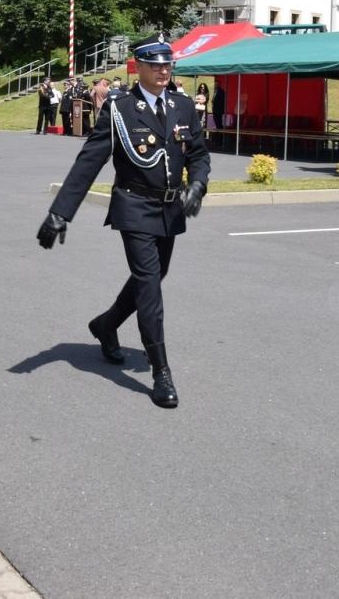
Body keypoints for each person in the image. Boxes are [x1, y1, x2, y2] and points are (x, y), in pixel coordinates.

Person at [37, 35, 210, 408]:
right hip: (133, 206)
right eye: (155, 65)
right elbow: (89, 161)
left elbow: (197, 152)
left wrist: (198, 183)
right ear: (139, 67)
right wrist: (60, 212)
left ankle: (106, 325)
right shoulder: (120, 109)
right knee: (150, 284)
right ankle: (161, 371)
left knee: (154, 275)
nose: (164, 71)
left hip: (169, 207)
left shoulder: (181, 105)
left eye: (168, 64)